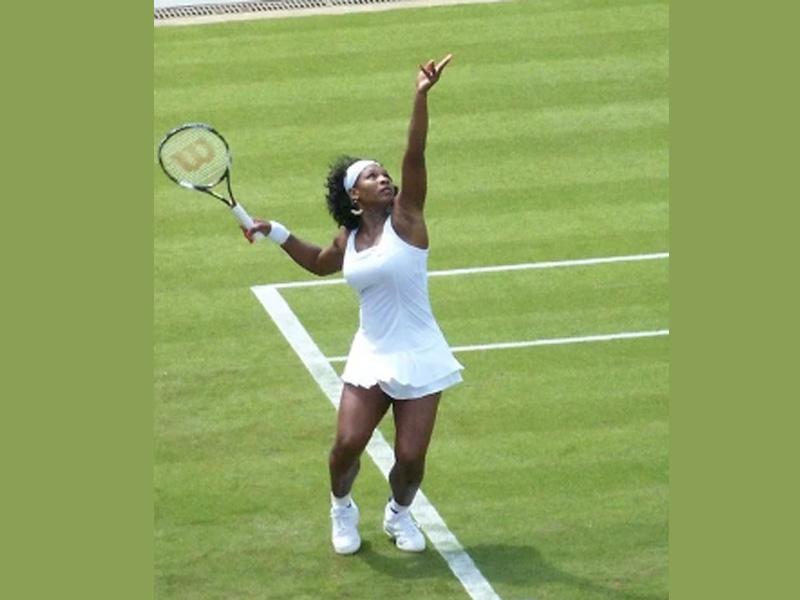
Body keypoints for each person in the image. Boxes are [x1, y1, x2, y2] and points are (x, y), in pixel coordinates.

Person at [245, 54, 461, 555]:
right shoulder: (349, 238)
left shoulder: (408, 219)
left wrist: (420, 96)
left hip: (421, 351)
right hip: (372, 353)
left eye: (384, 174)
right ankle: (341, 508)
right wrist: (274, 231)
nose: (384, 178)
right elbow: (319, 263)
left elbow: (415, 154)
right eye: (371, 176)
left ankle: (398, 514)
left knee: (411, 458)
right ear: (355, 196)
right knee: (345, 446)